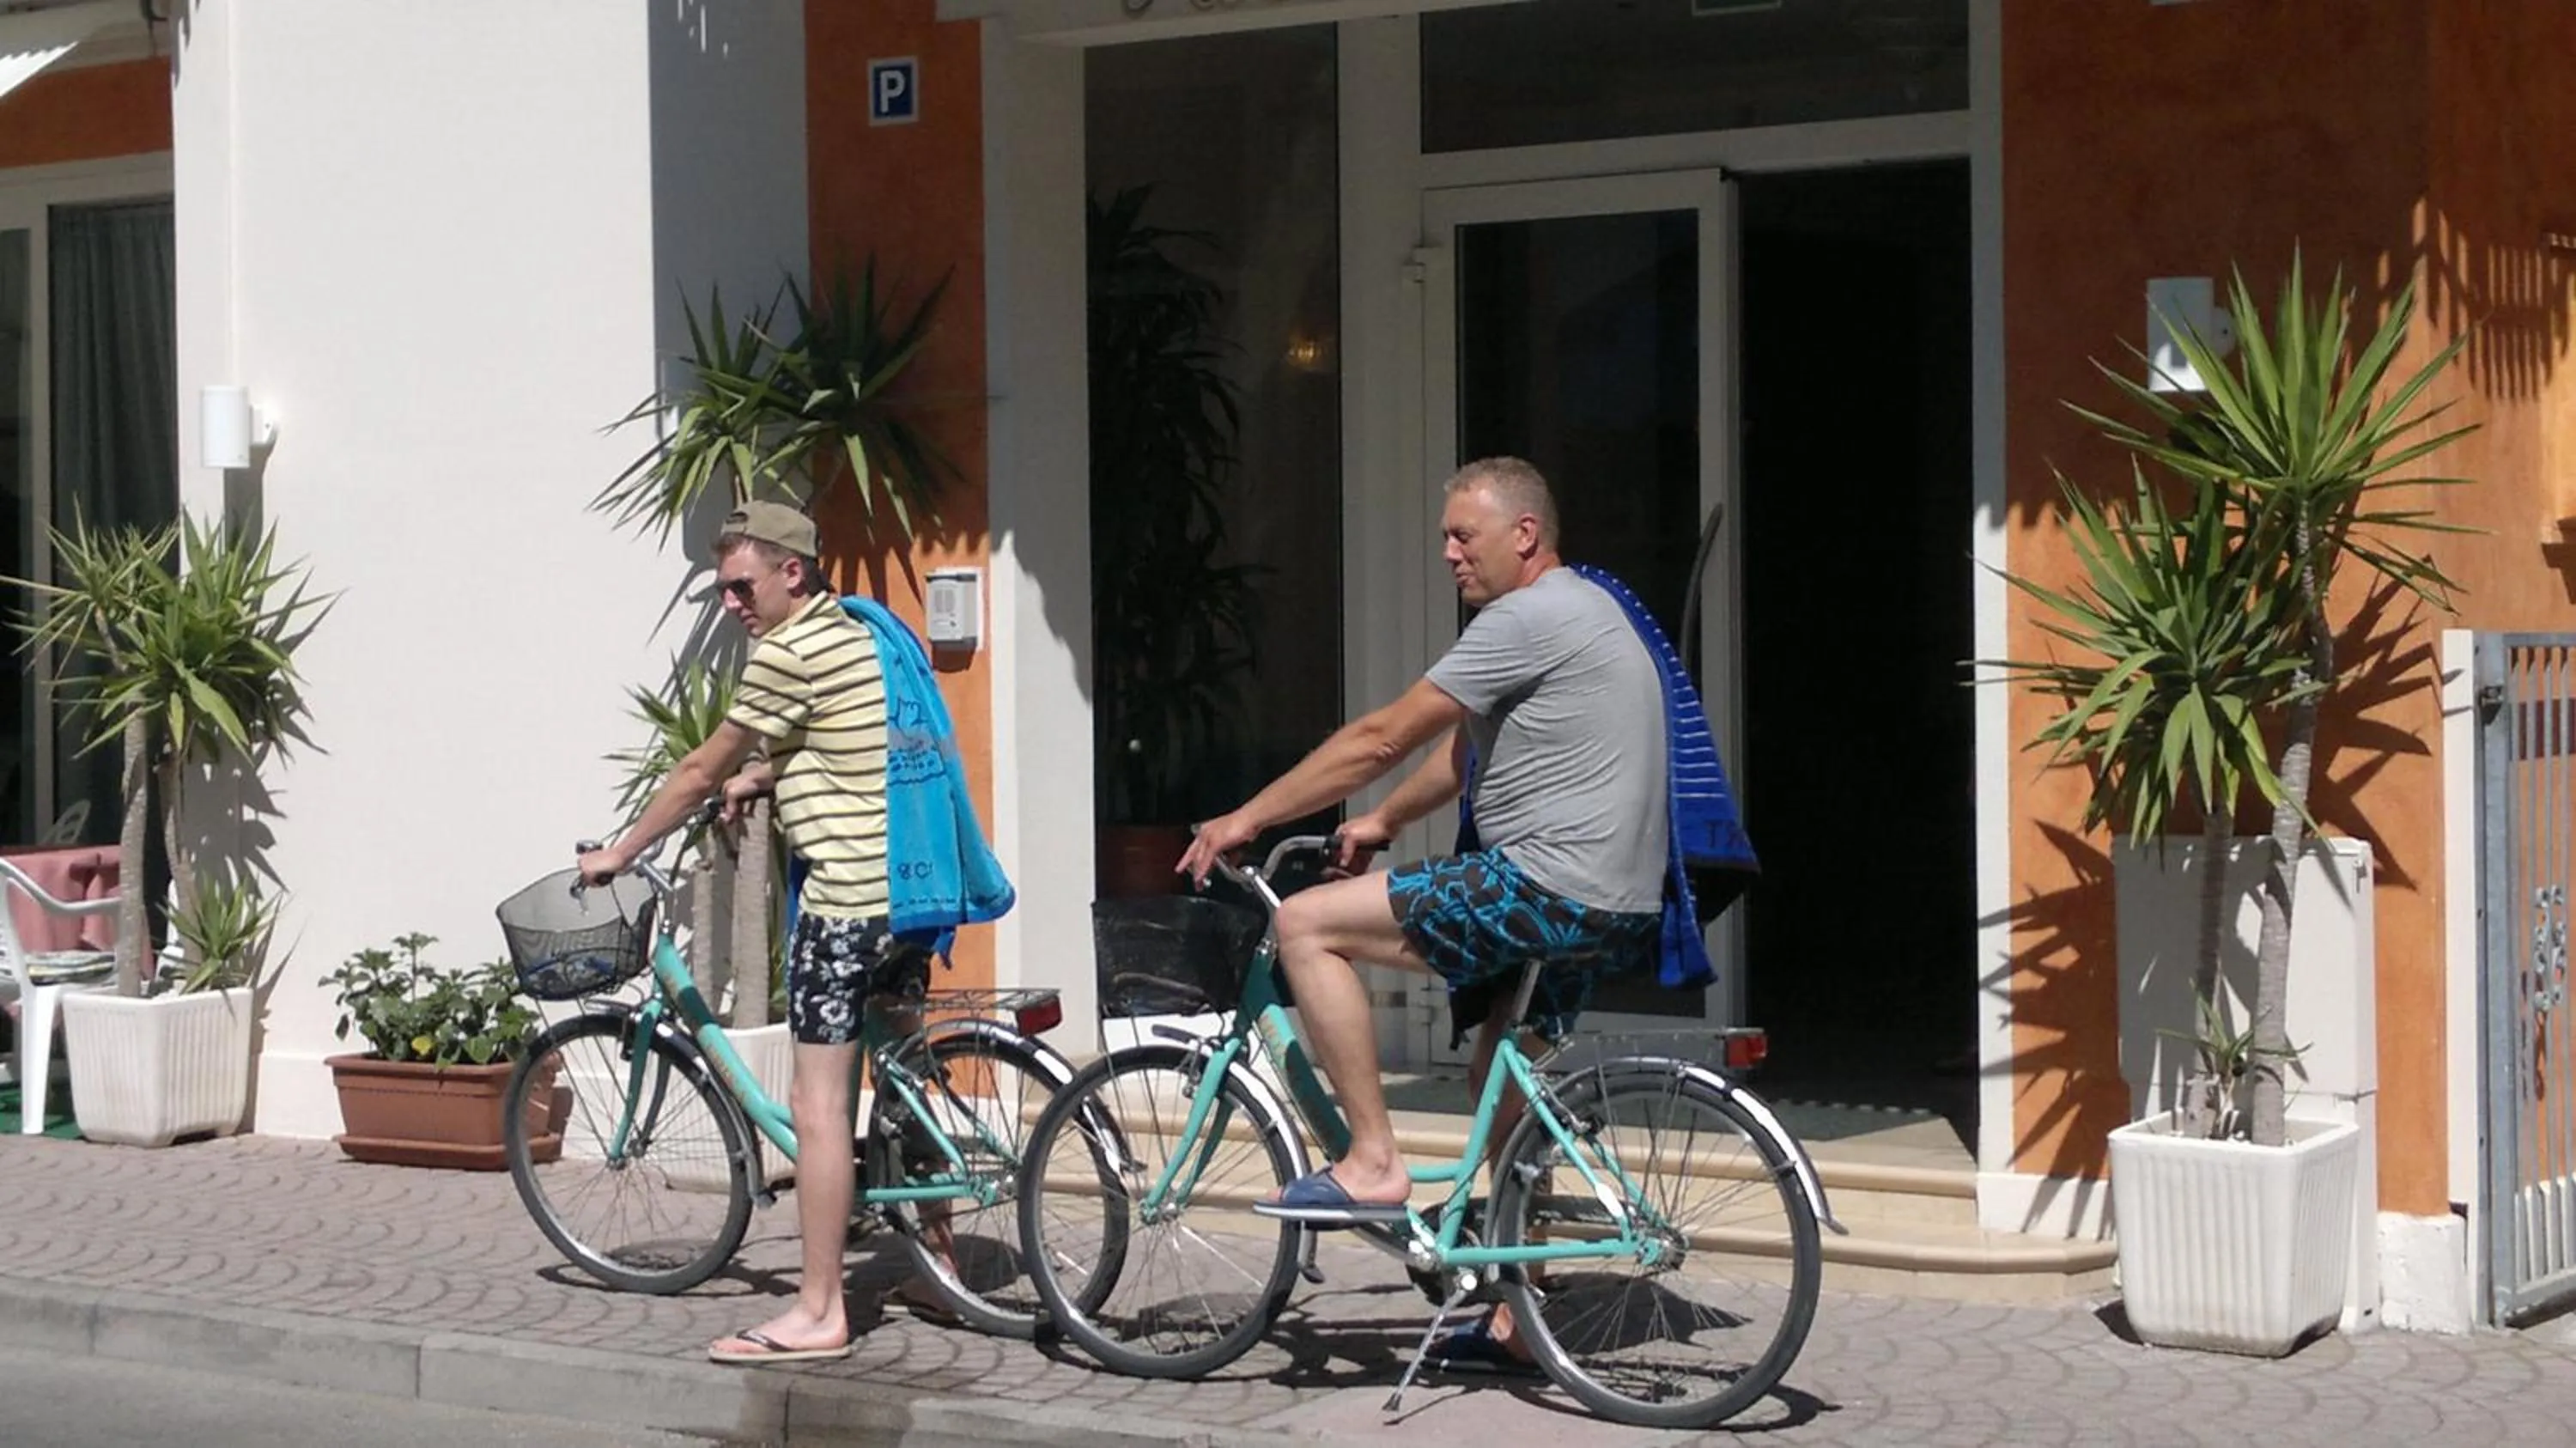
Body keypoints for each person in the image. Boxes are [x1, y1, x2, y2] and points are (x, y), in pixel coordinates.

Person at [1177, 455, 1670, 1370]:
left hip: (1543, 885)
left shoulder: (1525, 617)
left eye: (1462, 535)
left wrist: (1246, 817)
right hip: (1610, 894)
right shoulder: (1589, 607)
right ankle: (1522, 1313)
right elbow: (1463, 757)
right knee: (1505, 1065)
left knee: (1305, 926)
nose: (1448, 552)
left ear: (1525, 535)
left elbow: (1380, 737)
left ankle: (1372, 1162)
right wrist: (1379, 821)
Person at [580, 499, 995, 1366]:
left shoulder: (786, 649)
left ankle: (818, 1311)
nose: (732, 602)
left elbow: (699, 767)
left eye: (741, 585)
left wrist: (621, 850)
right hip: (904, 903)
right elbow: (840, 740)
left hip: (844, 905)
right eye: (723, 588)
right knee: (903, 1073)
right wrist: (770, 776)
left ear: (791, 571)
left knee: (819, 1109)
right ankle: (939, 1265)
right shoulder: (859, 634)